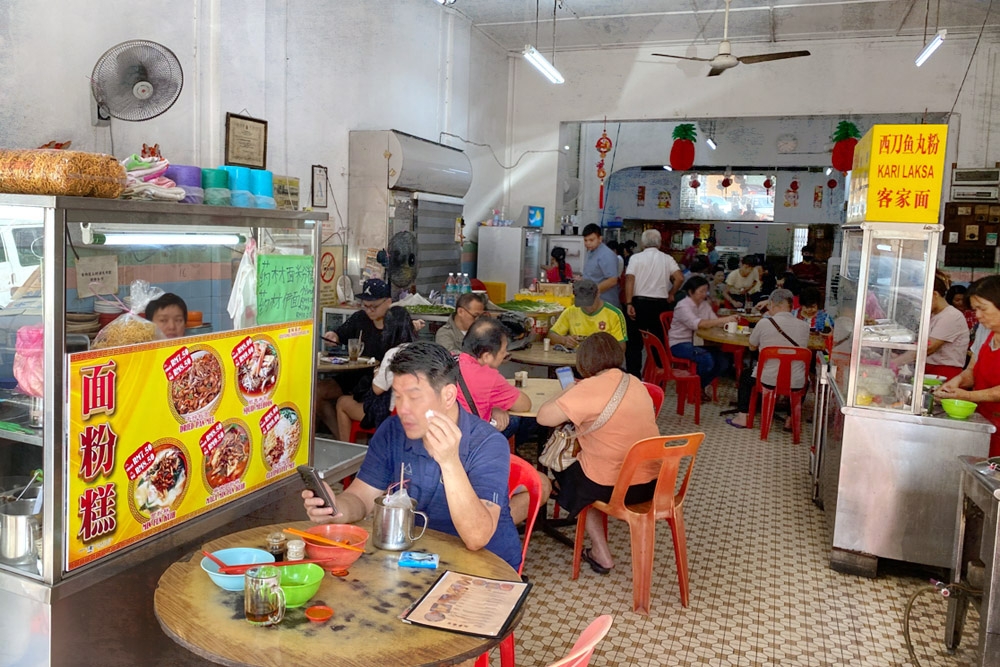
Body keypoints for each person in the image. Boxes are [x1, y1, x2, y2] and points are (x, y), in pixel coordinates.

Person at [302, 341, 523, 569]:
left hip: (486, 568)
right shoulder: (393, 431)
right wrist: (335, 509)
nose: (403, 408)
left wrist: (449, 462)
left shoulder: (487, 443)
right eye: (397, 396)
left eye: (414, 397)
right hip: (418, 559)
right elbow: (361, 497)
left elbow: (477, 538)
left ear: (448, 396)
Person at [536, 333, 659, 574]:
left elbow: (543, 417)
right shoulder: (634, 382)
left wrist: (569, 389)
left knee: (572, 475)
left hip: (610, 488)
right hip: (652, 485)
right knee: (589, 468)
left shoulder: (588, 388)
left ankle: (600, 551)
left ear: (584, 361)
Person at [317, 279, 395, 435]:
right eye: (366, 306)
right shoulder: (360, 318)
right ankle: (341, 437)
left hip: (378, 382)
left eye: (374, 306)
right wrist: (333, 336)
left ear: (388, 302)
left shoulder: (395, 323)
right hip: (354, 376)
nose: (369, 311)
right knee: (317, 392)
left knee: (342, 402)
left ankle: (350, 439)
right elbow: (340, 334)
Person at [725, 289, 810, 429]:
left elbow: (752, 347)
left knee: (746, 376)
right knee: (805, 379)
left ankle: (742, 417)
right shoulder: (804, 326)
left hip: (767, 379)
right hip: (796, 381)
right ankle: (790, 419)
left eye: (769, 306)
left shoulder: (764, 323)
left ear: (774, 305)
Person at [334, 306, 417, 440]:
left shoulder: (393, 354)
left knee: (342, 402)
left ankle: (347, 451)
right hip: (415, 410)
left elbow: (378, 389)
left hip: (391, 412)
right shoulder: (420, 350)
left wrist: (377, 374)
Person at [623, 229, 684, 375]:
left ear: (643, 243)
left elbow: (630, 279)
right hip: (660, 306)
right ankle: (659, 375)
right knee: (658, 342)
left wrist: (629, 303)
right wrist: (671, 293)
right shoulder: (667, 259)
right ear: (660, 243)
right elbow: (680, 278)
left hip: (639, 304)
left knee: (634, 344)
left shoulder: (635, 258)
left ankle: (634, 376)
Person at [669, 276, 738, 397]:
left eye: (706, 291)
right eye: (701, 291)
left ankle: (699, 386)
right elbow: (699, 324)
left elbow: (714, 321)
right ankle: (696, 389)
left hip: (699, 342)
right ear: (691, 292)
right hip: (680, 343)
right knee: (707, 359)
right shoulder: (683, 306)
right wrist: (726, 319)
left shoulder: (704, 304)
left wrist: (728, 322)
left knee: (723, 362)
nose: (704, 294)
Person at [895, 277, 969, 381]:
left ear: (934, 294)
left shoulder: (951, 316)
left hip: (944, 372)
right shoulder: (933, 315)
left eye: (921, 299)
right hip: (927, 369)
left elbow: (928, 347)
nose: (921, 304)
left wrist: (894, 363)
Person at [547, 279, 627, 350]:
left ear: (598, 294)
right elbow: (551, 335)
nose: (587, 307)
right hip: (576, 360)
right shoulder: (571, 311)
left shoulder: (614, 314)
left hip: (602, 362)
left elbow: (621, 347)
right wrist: (564, 340)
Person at [581, 223, 621, 308]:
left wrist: (593, 292)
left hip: (605, 303)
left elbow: (612, 280)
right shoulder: (590, 252)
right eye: (585, 240)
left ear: (600, 239)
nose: (588, 243)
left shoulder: (606, 255)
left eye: (591, 240)